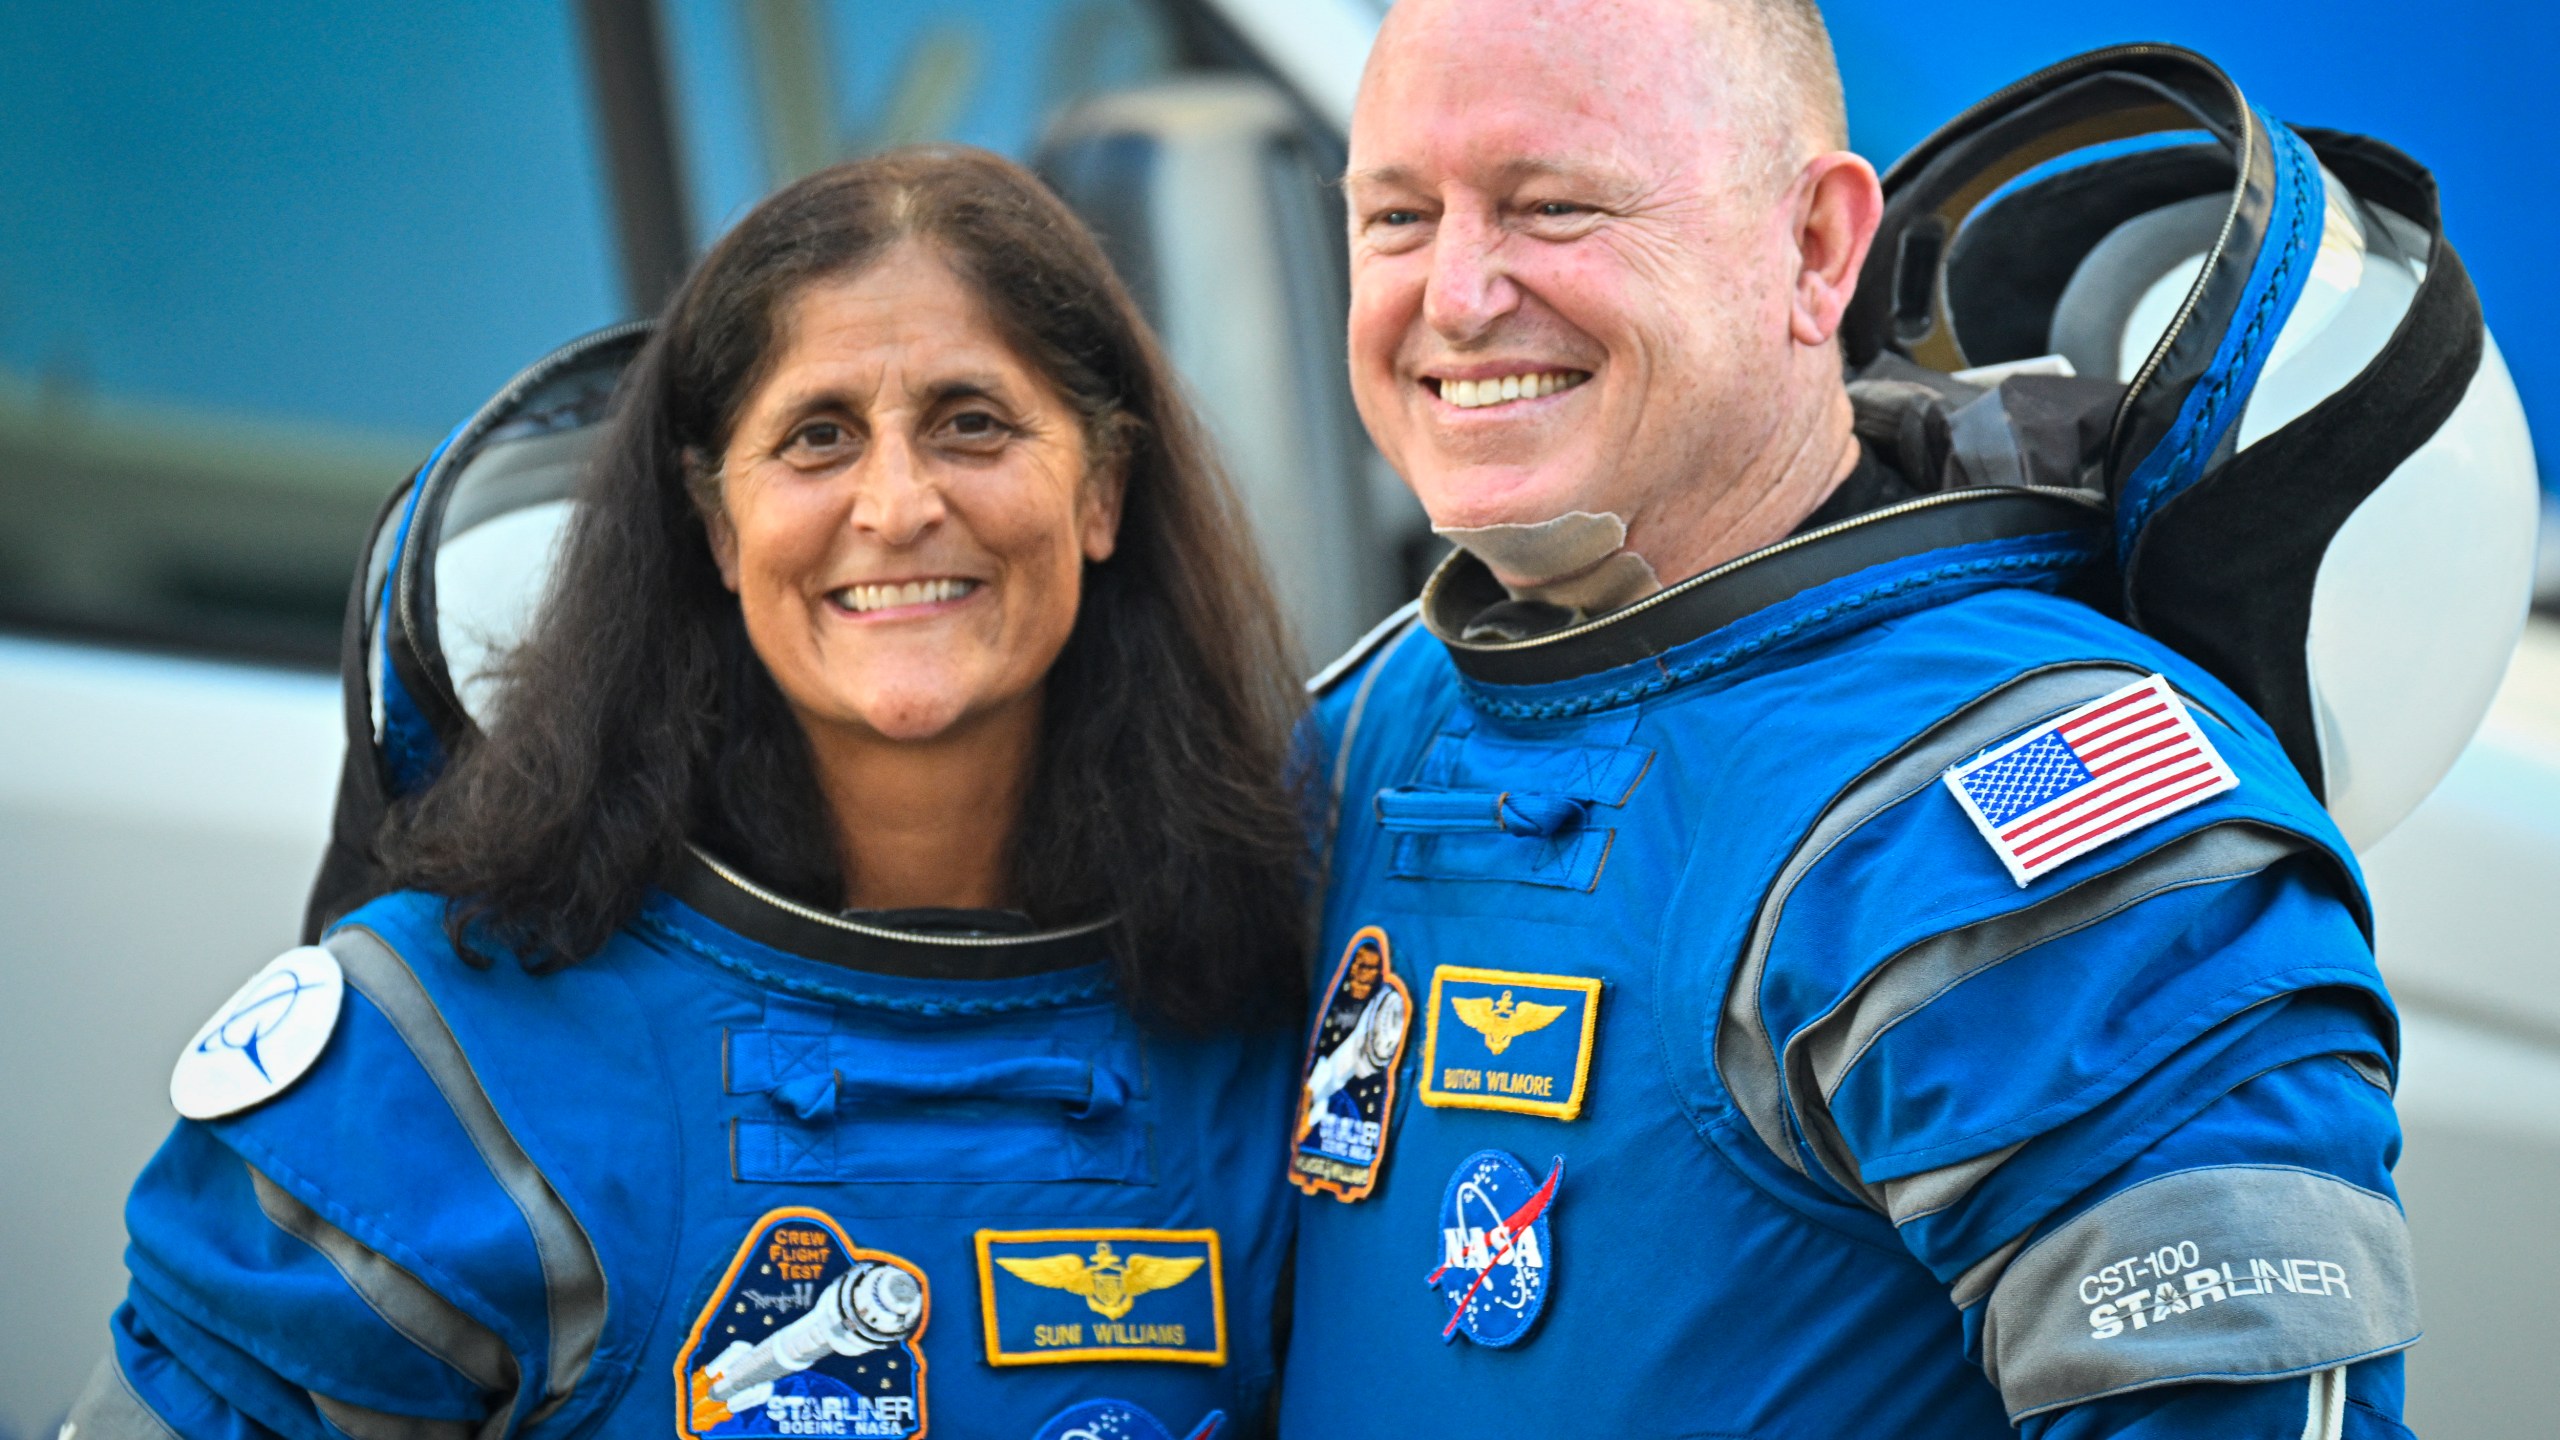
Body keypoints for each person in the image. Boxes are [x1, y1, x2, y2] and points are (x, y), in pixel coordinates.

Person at [1280, 3, 2420, 1438]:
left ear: (1818, 248)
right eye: (1394, 216)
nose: (1452, 292)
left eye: (1551, 205)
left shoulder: (2027, 800)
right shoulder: (1383, 712)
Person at [76, 149, 1304, 1440]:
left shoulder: (1262, 1024)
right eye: (818, 437)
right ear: (716, 522)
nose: (896, 504)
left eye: (973, 423)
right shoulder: (443, 1058)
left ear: (1103, 487)